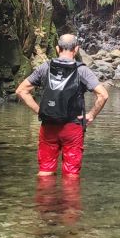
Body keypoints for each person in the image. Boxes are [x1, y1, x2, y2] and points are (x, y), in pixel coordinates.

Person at [16, 33, 108, 177]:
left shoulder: (44, 68)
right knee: (71, 174)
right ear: (76, 49)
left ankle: (45, 197)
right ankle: (70, 199)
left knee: (45, 170)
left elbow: (21, 91)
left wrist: (39, 110)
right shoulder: (82, 70)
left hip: (48, 125)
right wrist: (91, 115)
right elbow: (103, 95)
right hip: (73, 127)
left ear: (58, 49)